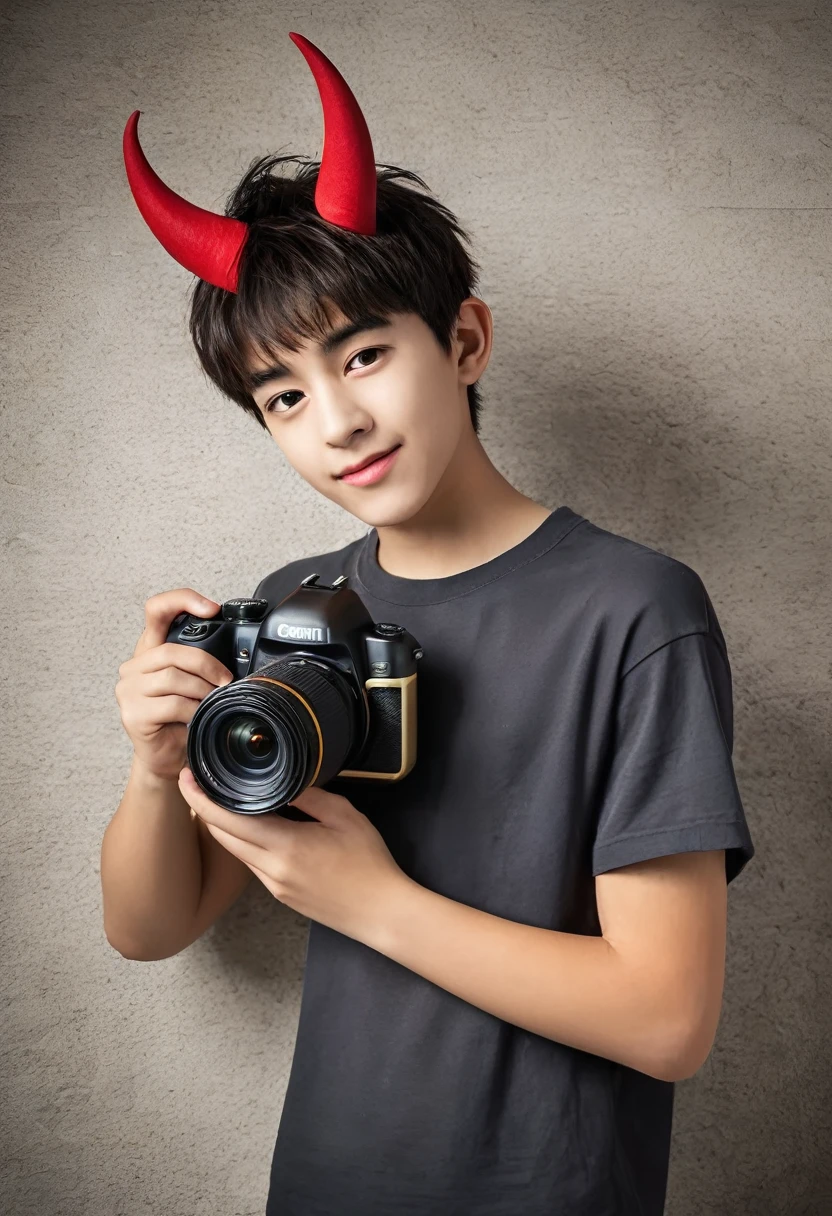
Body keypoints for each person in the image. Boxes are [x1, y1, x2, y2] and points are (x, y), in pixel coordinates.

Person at [102, 31, 756, 1216]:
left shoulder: (632, 607)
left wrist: (370, 899)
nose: (338, 421)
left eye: (364, 354)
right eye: (286, 395)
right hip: (324, 1182)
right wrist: (156, 772)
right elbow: (150, 929)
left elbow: (668, 1021)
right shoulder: (300, 606)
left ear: (462, 342)